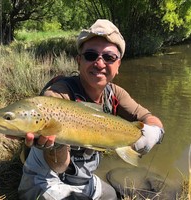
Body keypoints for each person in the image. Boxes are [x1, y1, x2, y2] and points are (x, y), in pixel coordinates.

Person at [17, 19, 164, 200]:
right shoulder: (57, 95)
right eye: (91, 55)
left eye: (109, 57)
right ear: (79, 61)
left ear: (118, 65)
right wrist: (56, 143)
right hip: (46, 179)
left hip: (82, 180)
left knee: (113, 196)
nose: (100, 63)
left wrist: (153, 133)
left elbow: (150, 118)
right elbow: (58, 166)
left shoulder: (116, 94)